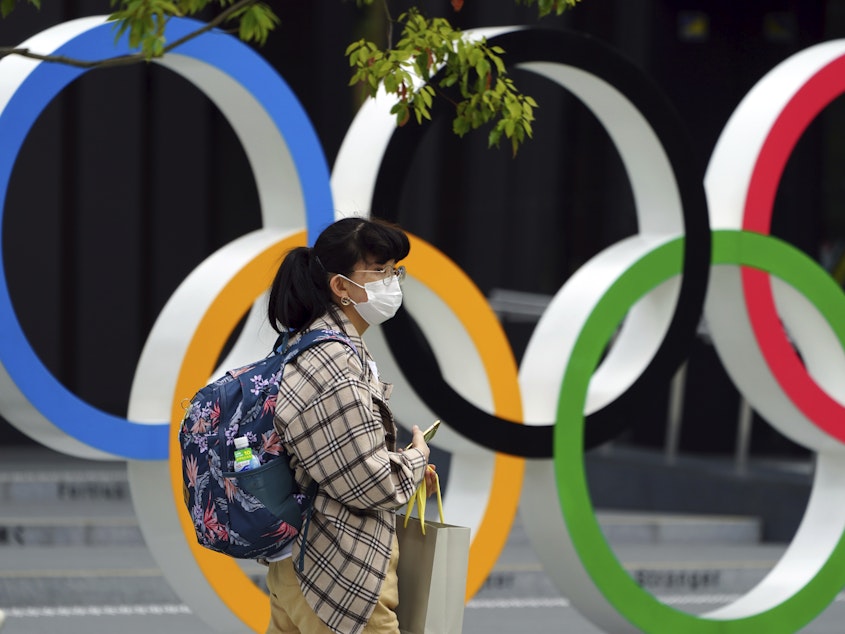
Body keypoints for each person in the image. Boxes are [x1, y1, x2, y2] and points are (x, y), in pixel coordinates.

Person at [265, 216, 437, 634]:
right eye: (379, 270)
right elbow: (368, 482)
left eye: (395, 269)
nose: (392, 280)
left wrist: (399, 465)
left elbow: (336, 456)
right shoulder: (337, 363)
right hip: (341, 579)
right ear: (340, 286)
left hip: (299, 568)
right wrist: (414, 459)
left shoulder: (304, 343)